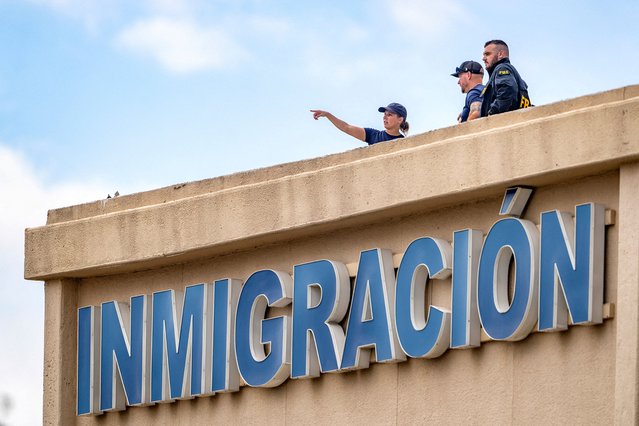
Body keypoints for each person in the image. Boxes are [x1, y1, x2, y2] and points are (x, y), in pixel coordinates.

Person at [311, 103, 409, 145]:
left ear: (400, 119)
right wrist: (328, 115)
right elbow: (347, 127)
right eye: (384, 114)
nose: (384, 117)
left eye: (390, 115)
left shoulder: (405, 142)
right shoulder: (373, 135)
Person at [480, 39, 530, 117]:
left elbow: (507, 91)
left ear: (500, 54)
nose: (483, 58)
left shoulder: (502, 68)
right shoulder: (513, 75)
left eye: (487, 54)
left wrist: (492, 114)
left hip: (502, 123)